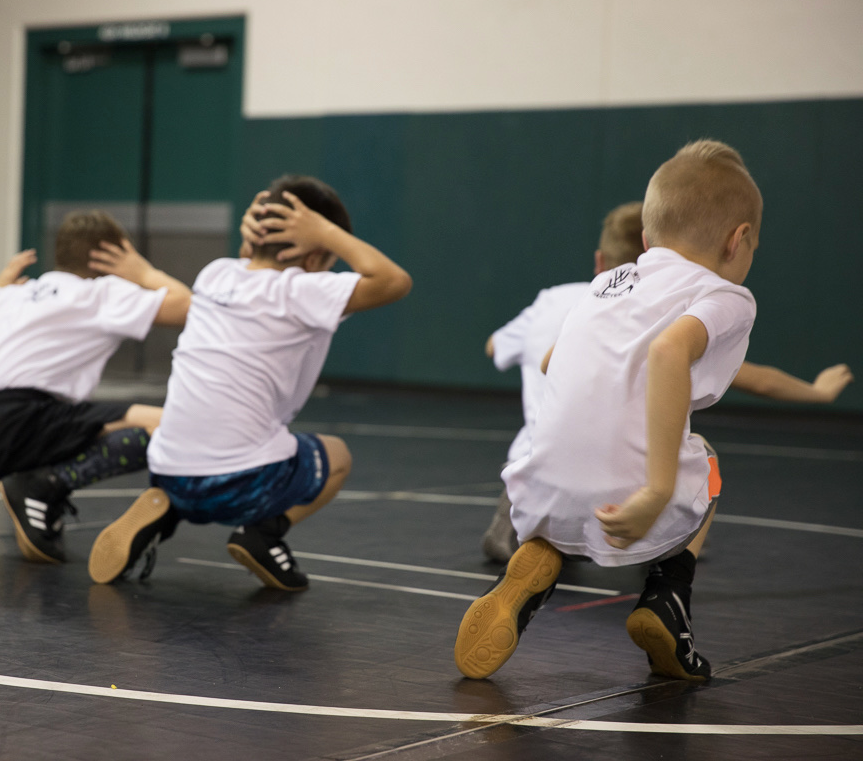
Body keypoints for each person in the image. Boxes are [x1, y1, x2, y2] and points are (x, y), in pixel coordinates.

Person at [455, 139, 763, 683]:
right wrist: (657, 491)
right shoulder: (726, 295)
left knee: (577, 494)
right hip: (627, 499)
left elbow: (553, 360)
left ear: (646, 239)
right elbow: (670, 351)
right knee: (708, 462)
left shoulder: (603, 285)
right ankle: (668, 596)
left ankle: (541, 562)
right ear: (738, 242)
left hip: (538, 487)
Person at [87, 175, 413, 591]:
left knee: (206, 448)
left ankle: (167, 508)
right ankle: (262, 534)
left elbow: (251, 261)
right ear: (315, 257)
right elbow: (394, 281)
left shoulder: (214, 275)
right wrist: (327, 233)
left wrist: (266, 229)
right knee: (337, 455)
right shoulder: (302, 291)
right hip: (241, 486)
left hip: (167, 469)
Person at [480, 203, 853, 563]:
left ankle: (538, 549)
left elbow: (504, 348)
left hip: (533, 474)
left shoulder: (559, 300)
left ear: (600, 262)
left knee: (555, 518)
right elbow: (757, 380)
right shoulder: (680, 314)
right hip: (626, 478)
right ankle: (671, 575)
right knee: (701, 466)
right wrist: (817, 392)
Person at [0, 210, 190, 563]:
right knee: (169, 425)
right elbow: (188, 308)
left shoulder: (19, 294)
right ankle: (46, 485)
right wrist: (145, 273)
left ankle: (41, 487)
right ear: (114, 256)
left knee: (91, 420)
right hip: (20, 420)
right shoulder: (102, 293)